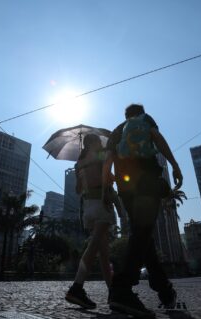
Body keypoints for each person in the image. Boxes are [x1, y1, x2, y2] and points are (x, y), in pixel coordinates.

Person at [102, 104, 183, 318]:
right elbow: (157, 138)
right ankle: (121, 289)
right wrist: (174, 164)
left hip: (125, 187)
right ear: (140, 112)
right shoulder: (145, 120)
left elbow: (108, 161)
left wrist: (105, 187)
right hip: (147, 180)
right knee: (143, 232)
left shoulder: (117, 131)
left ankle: (165, 291)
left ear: (125, 115)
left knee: (143, 234)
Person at [65, 134, 118, 309]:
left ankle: (113, 293)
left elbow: (78, 189)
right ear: (94, 142)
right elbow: (106, 177)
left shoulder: (78, 163)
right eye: (98, 142)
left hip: (87, 208)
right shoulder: (100, 155)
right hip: (101, 202)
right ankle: (77, 286)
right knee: (94, 245)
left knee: (104, 253)